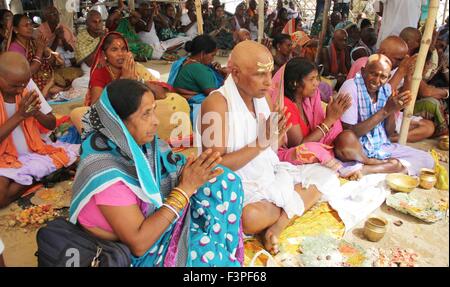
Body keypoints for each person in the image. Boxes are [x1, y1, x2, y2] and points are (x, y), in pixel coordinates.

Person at [70, 79, 244, 267]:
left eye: (153, 110)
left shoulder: (139, 145)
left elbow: (170, 170)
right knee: (209, 258)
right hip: (137, 249)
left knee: (226, 179)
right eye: (146, 114)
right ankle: (211, 250)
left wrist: (190, 171)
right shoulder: (107, 174)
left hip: (157, 219)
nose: (156, 121)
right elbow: (139, 244)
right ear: (118, 123)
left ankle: (218, 247)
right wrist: (186, 188)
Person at [199, 41, 340, 254]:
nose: (268, 83)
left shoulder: (263, 95)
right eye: (259, 75)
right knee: (248, 218)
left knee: (326, 175)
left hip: (268, 173)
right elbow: (213, 168)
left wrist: (278, 135)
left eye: (270, 73)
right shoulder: (217, 104)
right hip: (236, 185)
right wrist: (261, 143)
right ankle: (285, 212)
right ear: (235, 73)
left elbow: (272, 149)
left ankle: (278, 224)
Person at [0, 52, 79, 208]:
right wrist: (20, 115)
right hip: (4, 160)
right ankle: (40, 177)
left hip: (34, 153)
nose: (19, 89)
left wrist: (35, 112)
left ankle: (34, 175)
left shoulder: (26, 86)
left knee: (78, 157)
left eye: (23, 84)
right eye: (14, 85)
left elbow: (51, 124)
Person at [336, 54, 434, 176]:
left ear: (388, 78)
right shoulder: (351, 87)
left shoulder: (386, 89)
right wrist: (385, 110)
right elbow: (350, 133)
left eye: (383, 77)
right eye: (373, 74)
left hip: (380, 146)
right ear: (363, 71)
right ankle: (384, 166)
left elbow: (389, 133)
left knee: (427, 160)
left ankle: (369, 169)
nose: (377, 81)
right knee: (346, 138)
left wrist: (393, 110)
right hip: (356, 149)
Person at [271, 57, 359, 178]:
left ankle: (332, 158)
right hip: (288, 153)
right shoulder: (286, 105)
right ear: (294, 83)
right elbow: (299, 146)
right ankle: (340, 170)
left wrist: (332, 118)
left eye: (317, 78)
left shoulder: (307, 101)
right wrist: (328, 121)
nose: (316, 83)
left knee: (337, 126)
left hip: (310, 145)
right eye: (311, 79)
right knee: (311, 148)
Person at [168, 34, 226, 125]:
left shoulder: (186, 61)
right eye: (212, 55)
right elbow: (216, 95)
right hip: (198, 113)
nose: (213, 59)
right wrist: (226, 76)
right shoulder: (198, 69)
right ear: (202, 54)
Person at [8, 14, 64, 97]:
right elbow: (27, 73)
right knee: (57, 89)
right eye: (26, 25)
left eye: (30, 24)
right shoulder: (14, 48)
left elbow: (52, 62)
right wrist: (40, 50)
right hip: (28, 83)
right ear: (16, 30)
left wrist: (45, 50)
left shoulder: (33, 41)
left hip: (45, 78)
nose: (30, 27)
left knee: (66, 83)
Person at [72, 10, 105, 96]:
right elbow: (90, 62)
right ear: (87, 23)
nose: (98, 25)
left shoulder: (106, 34)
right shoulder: (81, 37)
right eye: (94, 22)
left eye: (100, 21)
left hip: (106, 66)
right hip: (90, 69)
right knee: (76, 83)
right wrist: (101, 40)